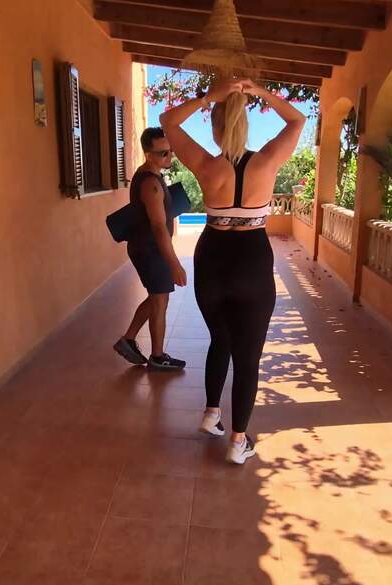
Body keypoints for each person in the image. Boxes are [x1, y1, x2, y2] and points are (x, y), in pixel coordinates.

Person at [160, 79, 305, 464]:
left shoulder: (206, 165)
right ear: (245, 122)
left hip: (212, 260)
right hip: (251, 262)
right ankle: (238, 443)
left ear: (215, 127)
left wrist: (209, 96)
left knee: (220, 339)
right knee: (247, 356)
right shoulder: (267, 161)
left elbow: (168, 121)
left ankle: (211, 414)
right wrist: (261, 92)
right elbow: (297, 120)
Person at [113, 128, 187, 371]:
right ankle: (157, 356)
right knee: (160, 300)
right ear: (148, 154)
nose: (170, 156)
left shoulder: (151, 174)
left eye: (171, 151)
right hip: (150, 250)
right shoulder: (150, 184)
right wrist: (175, 264)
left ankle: (128, 340)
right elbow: (157, 226)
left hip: (148, 248)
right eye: (163, 153)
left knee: (158, 297)